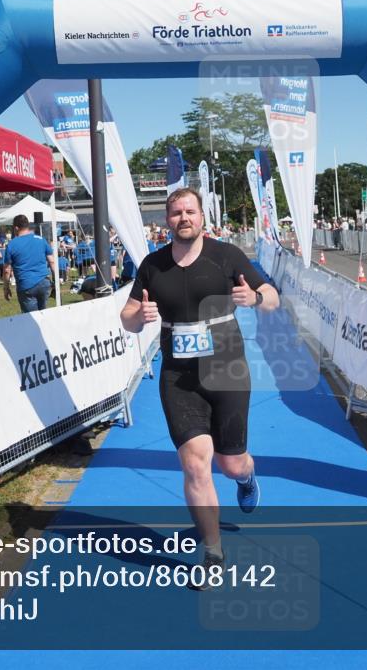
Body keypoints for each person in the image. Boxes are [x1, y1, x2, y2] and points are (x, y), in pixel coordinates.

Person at [119, 188, 280, 584]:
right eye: (176, 213)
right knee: (194, 464)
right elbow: (126, 315)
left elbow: (273, 298)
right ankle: (212, 552)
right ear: (167, 220)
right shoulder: (153, 265)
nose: (183, 218)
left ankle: (246, 477)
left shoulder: (226, 256)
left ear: (202, 217)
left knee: (230, 463)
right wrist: (139, 314)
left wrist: (254, 297)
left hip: (227, 370)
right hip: (179, 377)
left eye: (190, 211)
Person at [1, 214, 55, 313]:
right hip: (44, 282)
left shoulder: (12, 244)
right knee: (43, 314)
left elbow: (7, 270)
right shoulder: (41, 239)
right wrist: (55, 281)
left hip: (26, 284)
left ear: (16, 228)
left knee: (31, 318)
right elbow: (52, 261)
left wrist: (6, 287)